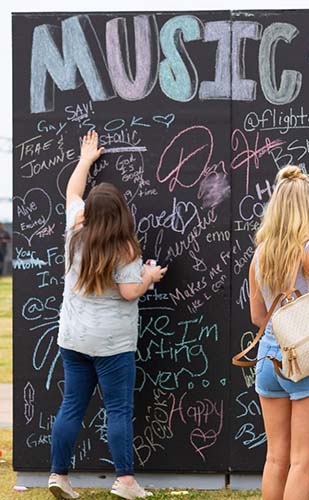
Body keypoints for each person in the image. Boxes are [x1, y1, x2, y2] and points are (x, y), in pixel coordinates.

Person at [49, 131, 167, 500]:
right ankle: (126, 481)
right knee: (117, 409)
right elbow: (130, 291)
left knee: (72, 406)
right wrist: (149, 276)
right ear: (120, 213)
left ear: (89, 211)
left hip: (73, 337)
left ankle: (58, 475)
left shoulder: (74, 232)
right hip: (113, 343)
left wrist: (85, 160)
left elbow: (71, 194)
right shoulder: (126, 248)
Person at [248, 166, 309, 500]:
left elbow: (258, 316)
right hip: (307, 357)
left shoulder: (259, 254)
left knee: (275, 457)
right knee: (302, 462)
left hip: (267, 359)